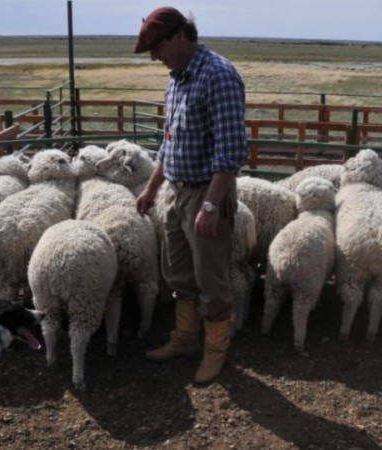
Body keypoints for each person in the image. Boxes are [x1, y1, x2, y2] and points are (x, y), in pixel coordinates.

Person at [133, 6, 248, 384]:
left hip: (205, 194)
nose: (153, 56)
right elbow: (170, 141)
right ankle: (185, 337)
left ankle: (216, 351)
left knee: (211, 279)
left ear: (181, 35)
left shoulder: (218, 76)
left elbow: (230, 151)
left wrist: (212, 205)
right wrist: (152, 188)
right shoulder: (177, 80)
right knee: (178, 272)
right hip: (176, 191)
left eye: (157, 46)